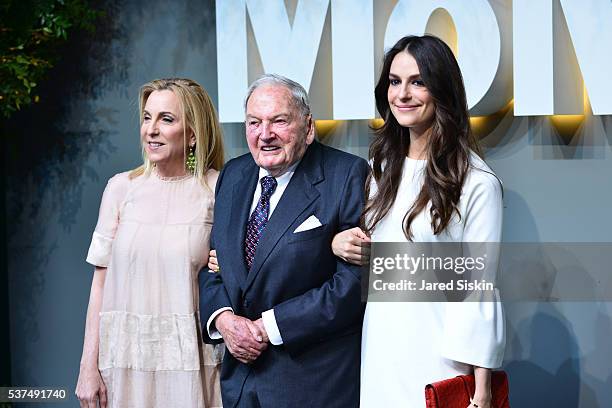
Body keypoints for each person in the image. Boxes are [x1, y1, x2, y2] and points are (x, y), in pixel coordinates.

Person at [331, 35, 505, 407]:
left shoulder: (477, 182)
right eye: (395, 81)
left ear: (441, 89)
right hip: (379, 350)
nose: (403, 94)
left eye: (418, 81)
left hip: (438, 358)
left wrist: (482, 390)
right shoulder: (381, 169)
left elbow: (478, 288)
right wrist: (339, 243)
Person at [199, 74, 368, 408]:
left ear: (308, 127)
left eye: (279, 121)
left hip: (312, 382)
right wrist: (223, 320)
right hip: (240, 382)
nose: (265, 135)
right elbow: (214, 264)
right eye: (254, 122)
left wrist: (270, 327)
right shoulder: (233, 174)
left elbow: (355, 281)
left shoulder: (346, 174)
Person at [76, 78, 225, 408]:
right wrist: (88, 367)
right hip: (124, 368)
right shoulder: (120, 189)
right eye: (147, 117)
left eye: (166, 119)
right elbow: (99, 285)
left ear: (193, 134)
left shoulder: (217, 190)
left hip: (189, 369)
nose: (151, 130)